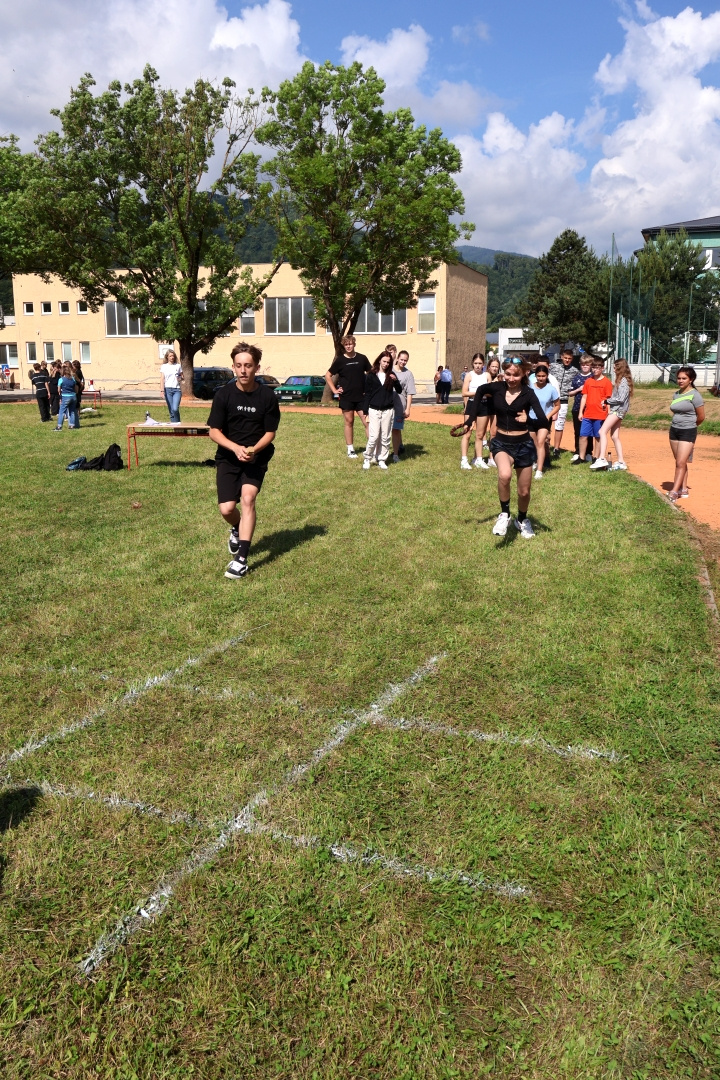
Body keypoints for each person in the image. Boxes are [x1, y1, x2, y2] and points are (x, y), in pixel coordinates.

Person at [207, 342, 280, 579]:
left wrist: (253, 450)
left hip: (256, 456)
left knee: (248, 499)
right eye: (238, 365)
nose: (243, 370)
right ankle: (237, 528)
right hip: (228, 456)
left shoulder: (267, 396)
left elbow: (270, 432)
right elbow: (214, 431)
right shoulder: (224, 394)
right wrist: (235, 448)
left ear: (257, 367)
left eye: (248, 365)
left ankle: (241, 560)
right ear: (233, 367)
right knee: (227, 508)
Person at [463, 359, 549, 539]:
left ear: (523, 373)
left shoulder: (528, 393)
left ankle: (522, 519)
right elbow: (480, 390)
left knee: (524, 492)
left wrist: (529, 420)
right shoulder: (497, 388)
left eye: (515, 375)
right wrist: (470, 419)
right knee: (504, 475)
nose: (511, 378)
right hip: (501, 442)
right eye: (508, 374)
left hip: (524, 445)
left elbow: (542, 420)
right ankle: (505, 515)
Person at [325, 336, 371, 458]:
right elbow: (328, 375)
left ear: (354, 344)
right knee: (349, 422)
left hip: (362, 397)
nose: (348, 346)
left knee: (367, 422)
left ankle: (371, 448)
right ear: (344, 346)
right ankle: (350, 449)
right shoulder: (340, 360)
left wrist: (368, 389)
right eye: (346, 344)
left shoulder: (362, 358)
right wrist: (334, 390)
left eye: (350, 344)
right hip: (346, 397)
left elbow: (371, 373)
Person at [666, 366, 705, 503]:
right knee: (680, 462)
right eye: (679, 378)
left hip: (688, 431)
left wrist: (690, 426)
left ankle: (674, 492)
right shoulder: (676, 394)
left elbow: (701, 417)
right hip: (674, 430)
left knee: (680, 462)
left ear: (691, 379)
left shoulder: (695, 395)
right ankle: (683, 489)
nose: (680, 381)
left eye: (684, 378)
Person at [361, 350, 403, 470]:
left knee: (385, 437)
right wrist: (365, 410)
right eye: (384, 361)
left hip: (388, 410)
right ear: (379, 360)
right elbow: (367, 394)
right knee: (374, 437)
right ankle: (367, 458)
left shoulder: (391, 375)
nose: (385, 364)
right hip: (374, 410)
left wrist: (395, 381)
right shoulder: (371, 375)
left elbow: (399, 390)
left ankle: (382, 459)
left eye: (388, 362)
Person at [591, 358, 633, 471]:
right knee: (614, 436)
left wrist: (607, 401)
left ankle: (601, 458)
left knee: (602, 431)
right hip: (619, 410)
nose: (614, 370)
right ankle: (621, 461)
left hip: (617, 410)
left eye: (615, 368)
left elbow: (620, 399)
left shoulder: (623, 381)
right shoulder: (620, 380)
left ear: (620, 368)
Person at [578, 357, 612, 464]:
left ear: (602, 368)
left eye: (598, 367)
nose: (595, 370)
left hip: (600, 414)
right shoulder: (588, 381)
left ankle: (596, 457)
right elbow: (584, 397)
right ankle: (581, 457)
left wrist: (609, 413)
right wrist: (581, 412)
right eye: (593, 367)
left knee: (598, 436)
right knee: (583, 435)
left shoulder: (607, 382)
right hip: (588, 414)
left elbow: (609, 399)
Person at [528, 363, 560, 478]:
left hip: (544, 420)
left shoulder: (551, 389)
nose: (541, 378)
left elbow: (557, 405)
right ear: (535, 376)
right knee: (533, 443)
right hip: (531, 418)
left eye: (543, 376)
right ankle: (534, 461)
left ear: (547, 376)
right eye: (539, 376)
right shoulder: (530, 387)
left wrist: (548, 416)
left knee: (541, 442)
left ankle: (539, 470)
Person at [549, 348, 578, 457]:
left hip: (563, 401)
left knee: (559, 425)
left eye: (569, 358)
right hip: (550, 400)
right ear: (561, 357)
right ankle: (545, 445)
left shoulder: (574, 371)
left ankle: (556, 449)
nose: (567, 360)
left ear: (572, 359)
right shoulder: (553, 367)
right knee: (546, 423)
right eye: (565, 358)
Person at [392, 349, 416, 462]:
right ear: (397, 358)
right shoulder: (389, 370)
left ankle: (395, 454)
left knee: (396, 429)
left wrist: (408, 408)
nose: (403, 362)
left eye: (405, 360)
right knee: (385, 429)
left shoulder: (408, 374)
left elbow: (410, 393)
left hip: (400, 405)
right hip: (387, 404)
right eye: (401, 359)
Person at [568, 355, 593, 463]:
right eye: (583, 365)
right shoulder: (577, 377)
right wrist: (579, 389)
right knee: (578, 431)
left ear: (591, 365)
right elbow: (570, 393)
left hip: (590, 408)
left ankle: (588, 452)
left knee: (589, 432)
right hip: (577, 408)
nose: (585, 366)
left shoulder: (593, 377)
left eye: (587, 365)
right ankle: (578, 451)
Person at [160, 349, 183, 424]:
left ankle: (178, 425)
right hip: (167, 390)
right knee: (171, 410)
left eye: (173, 356)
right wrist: (162, 391)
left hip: (177, 390)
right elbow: (162, 379)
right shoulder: (164, 366)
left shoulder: (178, 366)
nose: (172, 357)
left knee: (175, 408)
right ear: (167, 357)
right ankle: (174, 426)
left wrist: (180, 378)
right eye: (170, 356)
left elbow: (182, 377)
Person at [55, 362, 79, 429]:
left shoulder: (61, 379)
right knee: (72, 411)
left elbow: (58, 390)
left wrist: (60, 394)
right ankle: (72, 425)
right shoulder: (73, 378)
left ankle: (59, 426)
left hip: (65, 396)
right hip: (73, 396)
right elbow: (75, 388)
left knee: (62, 411)